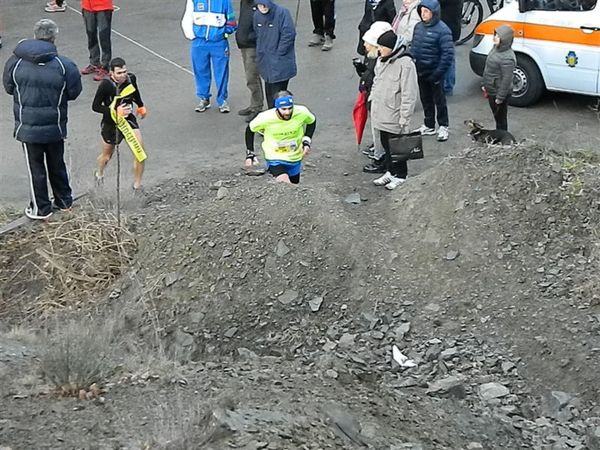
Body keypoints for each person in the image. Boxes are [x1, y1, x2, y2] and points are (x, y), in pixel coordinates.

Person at [3, 19, 82, 220]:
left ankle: (41, 208)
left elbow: (9, 88)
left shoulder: (15, 62)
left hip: (27, 126)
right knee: (57, 164)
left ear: (35, 34)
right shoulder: (65, 65)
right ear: (54, 37)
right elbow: (74, 92)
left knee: (35, 168)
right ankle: (64, 202)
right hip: (55, 126)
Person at [369, 30, 419, 190]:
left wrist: (405, 118)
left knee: (398, 147)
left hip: (395, 115)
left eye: (383, 47)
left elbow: (409, 94)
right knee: (386, 143)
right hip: (382, 113)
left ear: (393, 47)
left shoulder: (406, 64)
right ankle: (390, 172)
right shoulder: (382, 60)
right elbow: (377, 81)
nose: (379, 50)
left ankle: (401, 175)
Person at [92, 57, 147, 191]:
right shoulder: (106, 85)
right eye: (119, 73)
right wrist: (114, 111)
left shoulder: (131, 79)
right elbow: (95, 106)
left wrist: (140, 105)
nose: (123, 76)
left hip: (128, 120)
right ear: (111, 73)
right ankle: (99, 174)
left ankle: (137, 186)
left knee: (140, 153)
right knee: (106, 156)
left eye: (124, 72)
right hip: (111, 123)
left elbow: (135, 92)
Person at [245, 90, 316, 184]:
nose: (287, 112)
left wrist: (306, 141)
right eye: (283, 109)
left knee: (294, 187)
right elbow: (250, 130)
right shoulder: (265, 117)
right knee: (286, 184)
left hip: (295, 158)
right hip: (275, 158)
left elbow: (312, 122)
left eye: (290, 108)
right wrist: (250, 153)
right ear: (277, 107)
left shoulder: (301, 112)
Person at [181, 0, 237, 113]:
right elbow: (187, 18)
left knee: (221, 72)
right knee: (200, 71)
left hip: (219, 43)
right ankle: (204, 98)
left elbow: (232, 22)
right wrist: (192, 36)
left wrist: (224, 33)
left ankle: (222, 100)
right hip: (199, 42)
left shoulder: (224, 1)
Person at [411, 0, 454, 141]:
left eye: (426, 11)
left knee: (439, 100)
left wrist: (438, 73)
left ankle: (443, 126)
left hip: (435, 73)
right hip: (421, 71)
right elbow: (414, 47)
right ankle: (429, 125)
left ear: (434, 12)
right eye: (422, 11)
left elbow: (447, 55)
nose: (423, 14)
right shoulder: (418, 27)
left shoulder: (443, 30)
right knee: (425, 99)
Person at [254, 1, 297, 108]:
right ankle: (273, 117)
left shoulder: (282, 13)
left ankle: (279, 118)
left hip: (280, 63)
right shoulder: (257, 15)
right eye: (260, 4)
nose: (263, 7)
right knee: (270, 95)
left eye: (265, 4)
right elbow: (257, 34)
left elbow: (289, 34)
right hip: (266, 63)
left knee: (279, 97)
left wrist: (279, 53)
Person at [481, 25, 515, 131]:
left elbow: (506, 80)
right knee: (497, 117)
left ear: (504, 40)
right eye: (495, 34)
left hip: (498, 91)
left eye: (498, 36)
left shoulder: (508, 58)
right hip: (491, 89)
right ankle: (499, 135)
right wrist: (484, 84)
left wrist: (500, 97)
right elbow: (488, 69)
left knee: (501, 118)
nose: (494, 37)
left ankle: (503, 138)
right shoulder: (496, 48)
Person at [236, 0, 264, 122]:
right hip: (244, 44)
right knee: (251, 76)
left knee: (252, 77)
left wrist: (251, 37)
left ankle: (257, 107)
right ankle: (254, 104)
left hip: (252, 45)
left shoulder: (258, 4)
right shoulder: (245, 2)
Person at [79, 0, 114, 81]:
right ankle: (94, 62)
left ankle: (105, 66)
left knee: (104, 37)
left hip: (103, 6)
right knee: (91, 36)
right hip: (87, 6)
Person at [439, 0, 462, 94]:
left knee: (447, 58)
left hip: (448, 28)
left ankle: (447, 86)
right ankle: (446, 84)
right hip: (450, 27)